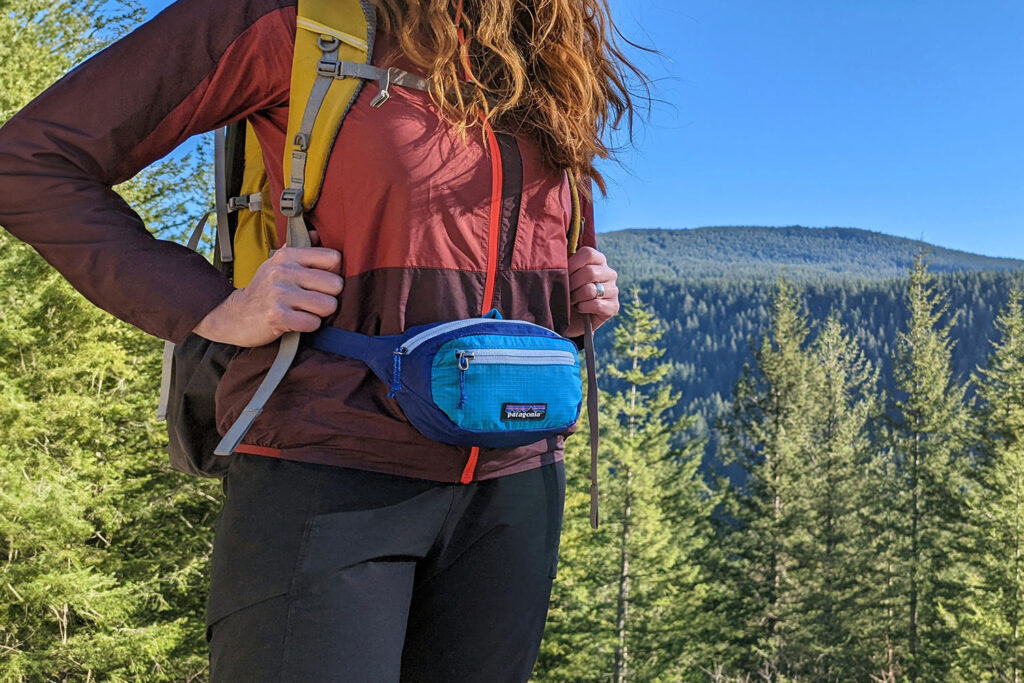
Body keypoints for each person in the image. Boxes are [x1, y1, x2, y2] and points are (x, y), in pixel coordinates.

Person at [0, 0, 645, 679]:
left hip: (516, 487)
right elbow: (32, 163)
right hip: (329, 467)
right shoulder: (295, 18)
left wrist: (574, 294)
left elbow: (533, 238)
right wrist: (212, 308)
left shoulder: (544, 48)